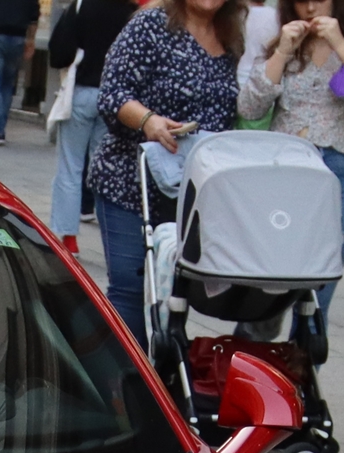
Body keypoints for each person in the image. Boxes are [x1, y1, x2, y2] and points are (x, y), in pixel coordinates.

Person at [236, 0, 344, 324]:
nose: (310, 8)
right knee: (268, 285)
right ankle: (252, 364)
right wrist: (282, 52)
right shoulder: (285, 46)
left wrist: (341, 45)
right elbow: (249, 107)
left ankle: (302, 368)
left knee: (317, 295)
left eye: (319, 0)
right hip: (286, 172)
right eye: (301, 1)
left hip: (339, 175)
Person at [94, 0, 245, 338]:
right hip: (131, 184)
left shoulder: (232, 36)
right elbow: (113, 93)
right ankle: (122, 382)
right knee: (132, 292)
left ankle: (160, 376)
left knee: (173, 296)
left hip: (191, 194)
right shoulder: (150, 25)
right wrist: (148, 121)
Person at [44, 0, 138, 256]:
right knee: (105, 171)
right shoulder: (130, 11)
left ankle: (69, 238)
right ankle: (111, 236)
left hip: (81, 91)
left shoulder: (81, 5)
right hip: (116, 100)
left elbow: (59, 49)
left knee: (70, 167)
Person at [0, 0, 37, 144]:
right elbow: (34, 16)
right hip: (18, 37)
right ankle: (0, 128)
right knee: (7, 84)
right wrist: (30, 40)